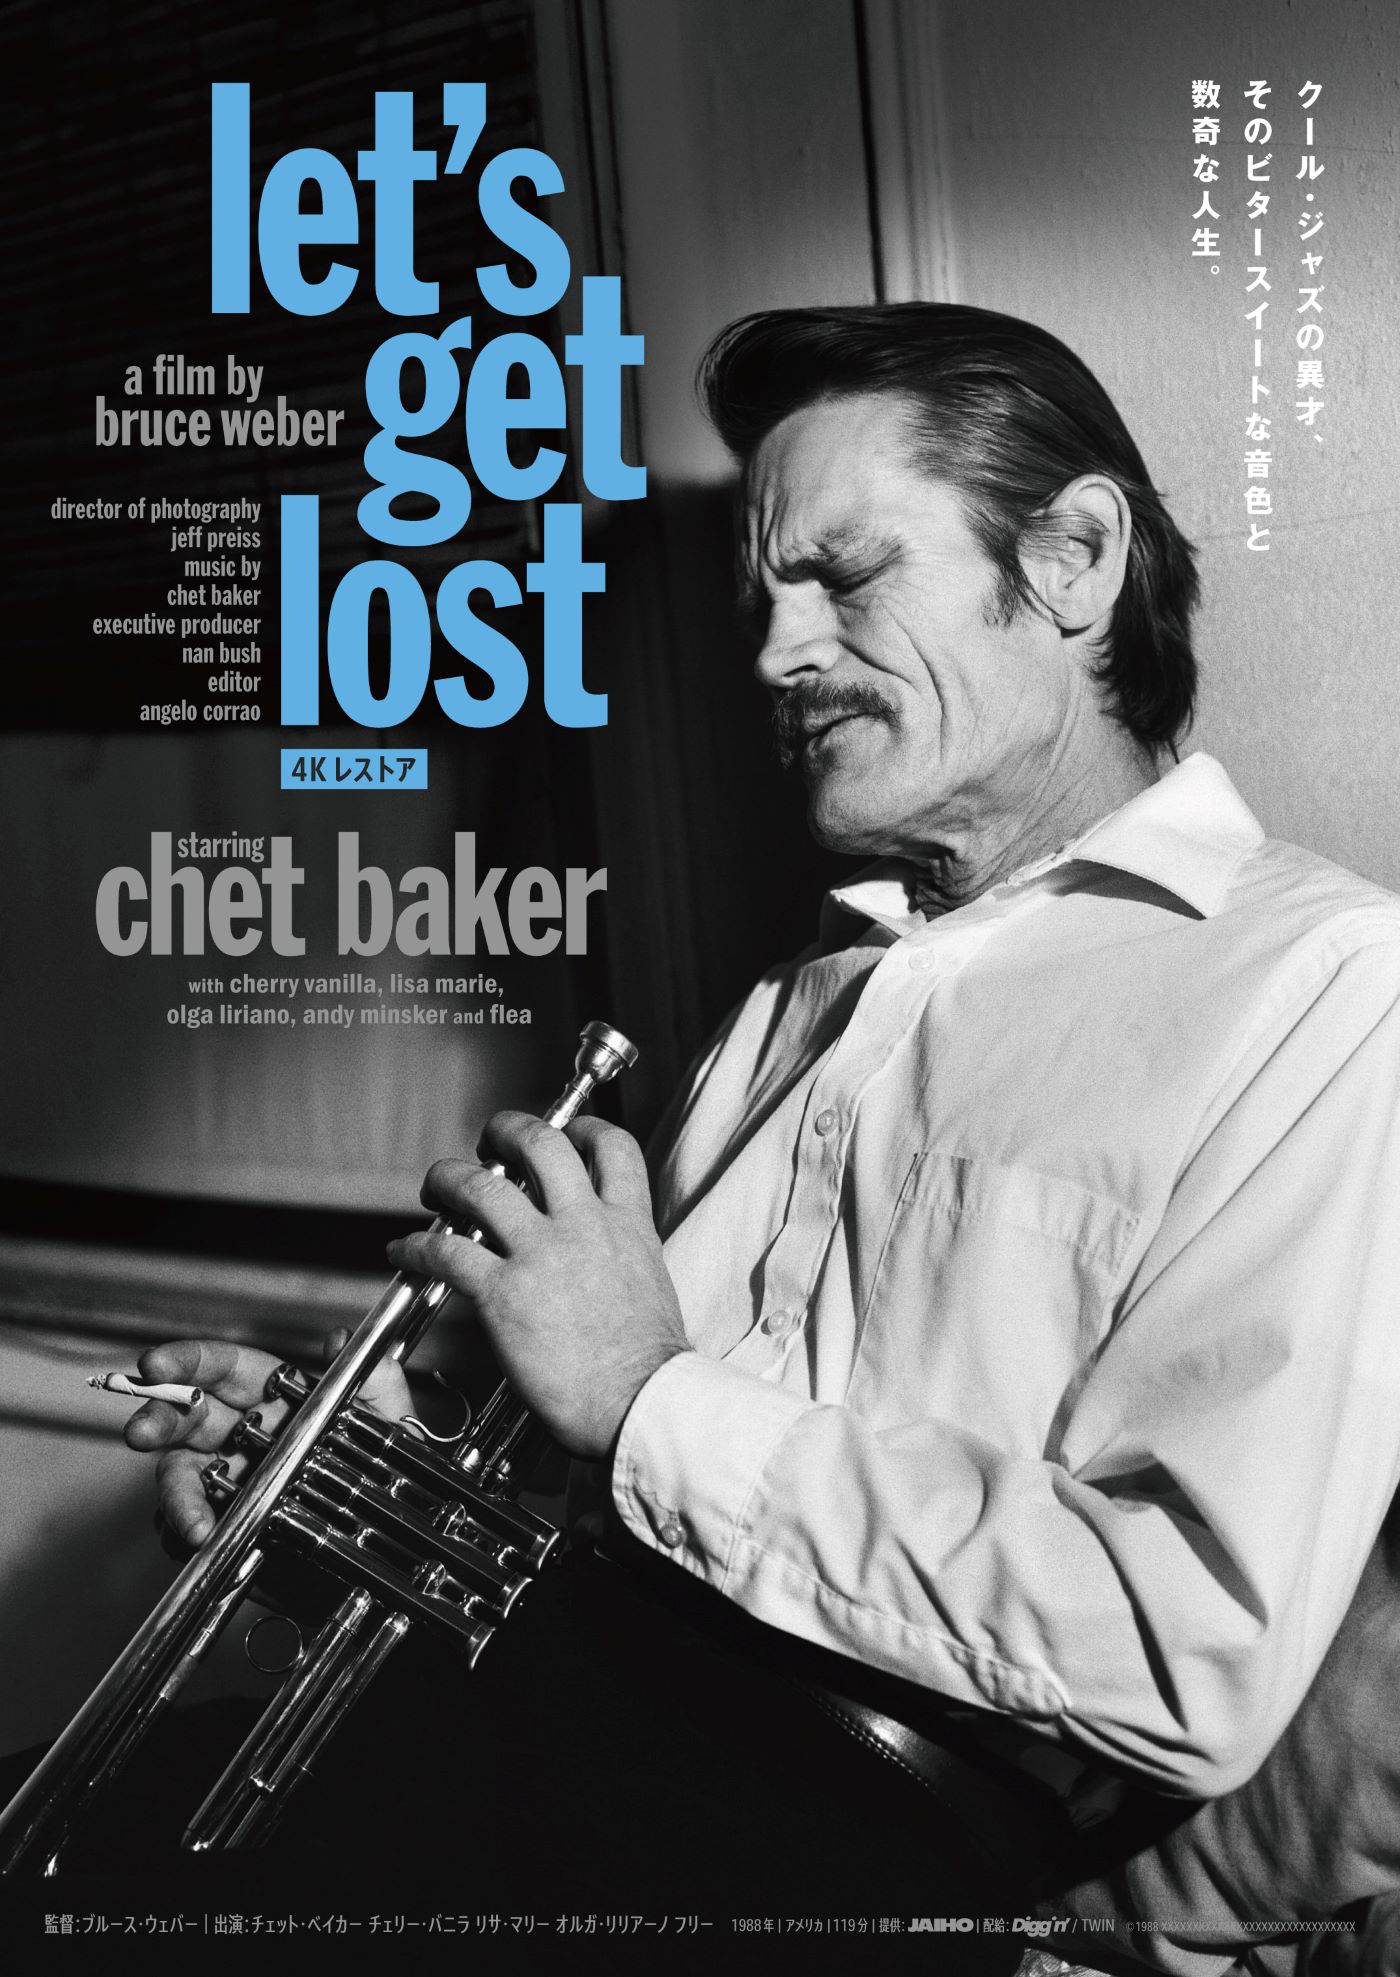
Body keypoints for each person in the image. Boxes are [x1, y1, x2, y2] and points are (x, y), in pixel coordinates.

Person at [120, 306, 1400, 1966]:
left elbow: (1182, 1648)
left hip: (854, 1857)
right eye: (761, 606)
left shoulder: (1326, 981)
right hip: (575, 1759)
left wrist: (646, 1393)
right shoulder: (788, 1007)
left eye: (845, 576)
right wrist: (373, 1469)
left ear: (1075, 559)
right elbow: (612, 1500)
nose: (778, 654)